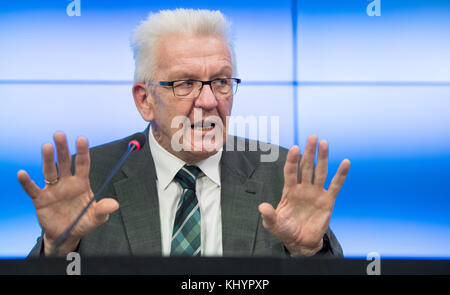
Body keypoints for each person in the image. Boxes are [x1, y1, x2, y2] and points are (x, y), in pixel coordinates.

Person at [19, 9, 350, 257]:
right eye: (185, 83)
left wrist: (309, 253)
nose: (208, 101)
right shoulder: (93, 177)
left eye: (221, 81)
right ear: (145, 100)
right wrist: (57, 248)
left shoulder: (278, 173)